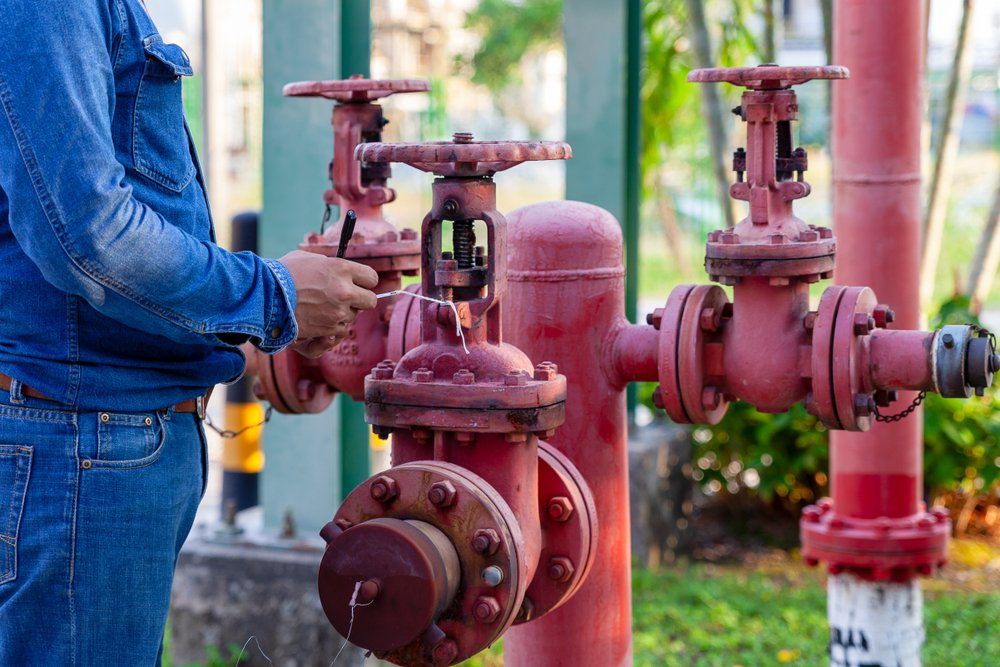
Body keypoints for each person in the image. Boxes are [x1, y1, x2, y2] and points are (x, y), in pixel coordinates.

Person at [0, 1, 377, 663]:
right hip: (81, 448)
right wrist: (271, 294)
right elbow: (89, 237)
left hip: (96, 443)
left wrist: (239, 334)